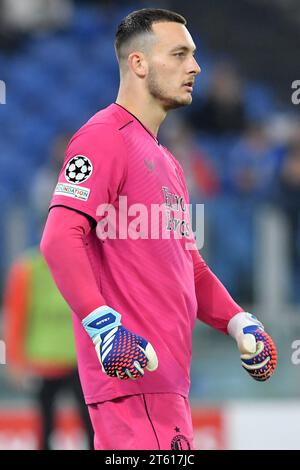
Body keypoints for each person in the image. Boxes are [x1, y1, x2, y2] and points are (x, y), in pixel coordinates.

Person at [40, 8, 277, 450]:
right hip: (133, 386)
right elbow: (58, 238)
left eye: (195, 55)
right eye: (180, 54)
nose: (195, 66)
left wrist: (236, 319)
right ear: (139, 63)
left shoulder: (167, 162)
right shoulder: (103, 136)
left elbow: (189, 263)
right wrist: (103, 326)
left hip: (167, 391)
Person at [3, 247, 94, 450]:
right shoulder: (28, 269)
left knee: (91, 423)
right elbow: (16, 316)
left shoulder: (84, 264)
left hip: (80, 362)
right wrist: (15, 359)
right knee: (46, 424)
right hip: (45, 362)